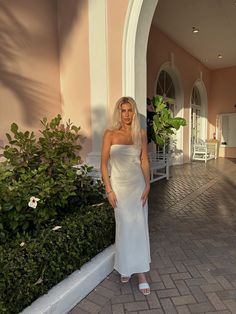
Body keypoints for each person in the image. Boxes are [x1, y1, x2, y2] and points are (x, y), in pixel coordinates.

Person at [100, 96, 151, 296]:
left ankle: (141, 275)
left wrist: (148, 185)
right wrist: (108, 190)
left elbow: (144, 160)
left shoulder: (141, 133)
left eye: (130, 110)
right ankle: (125, 267)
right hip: (119, 189)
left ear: (134, 112)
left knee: (138, 230)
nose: (127, 114)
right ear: (118, 112)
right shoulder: (110, 134)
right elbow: (103, 164)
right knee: (123, 229)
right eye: (123, 110)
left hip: (138, 187)